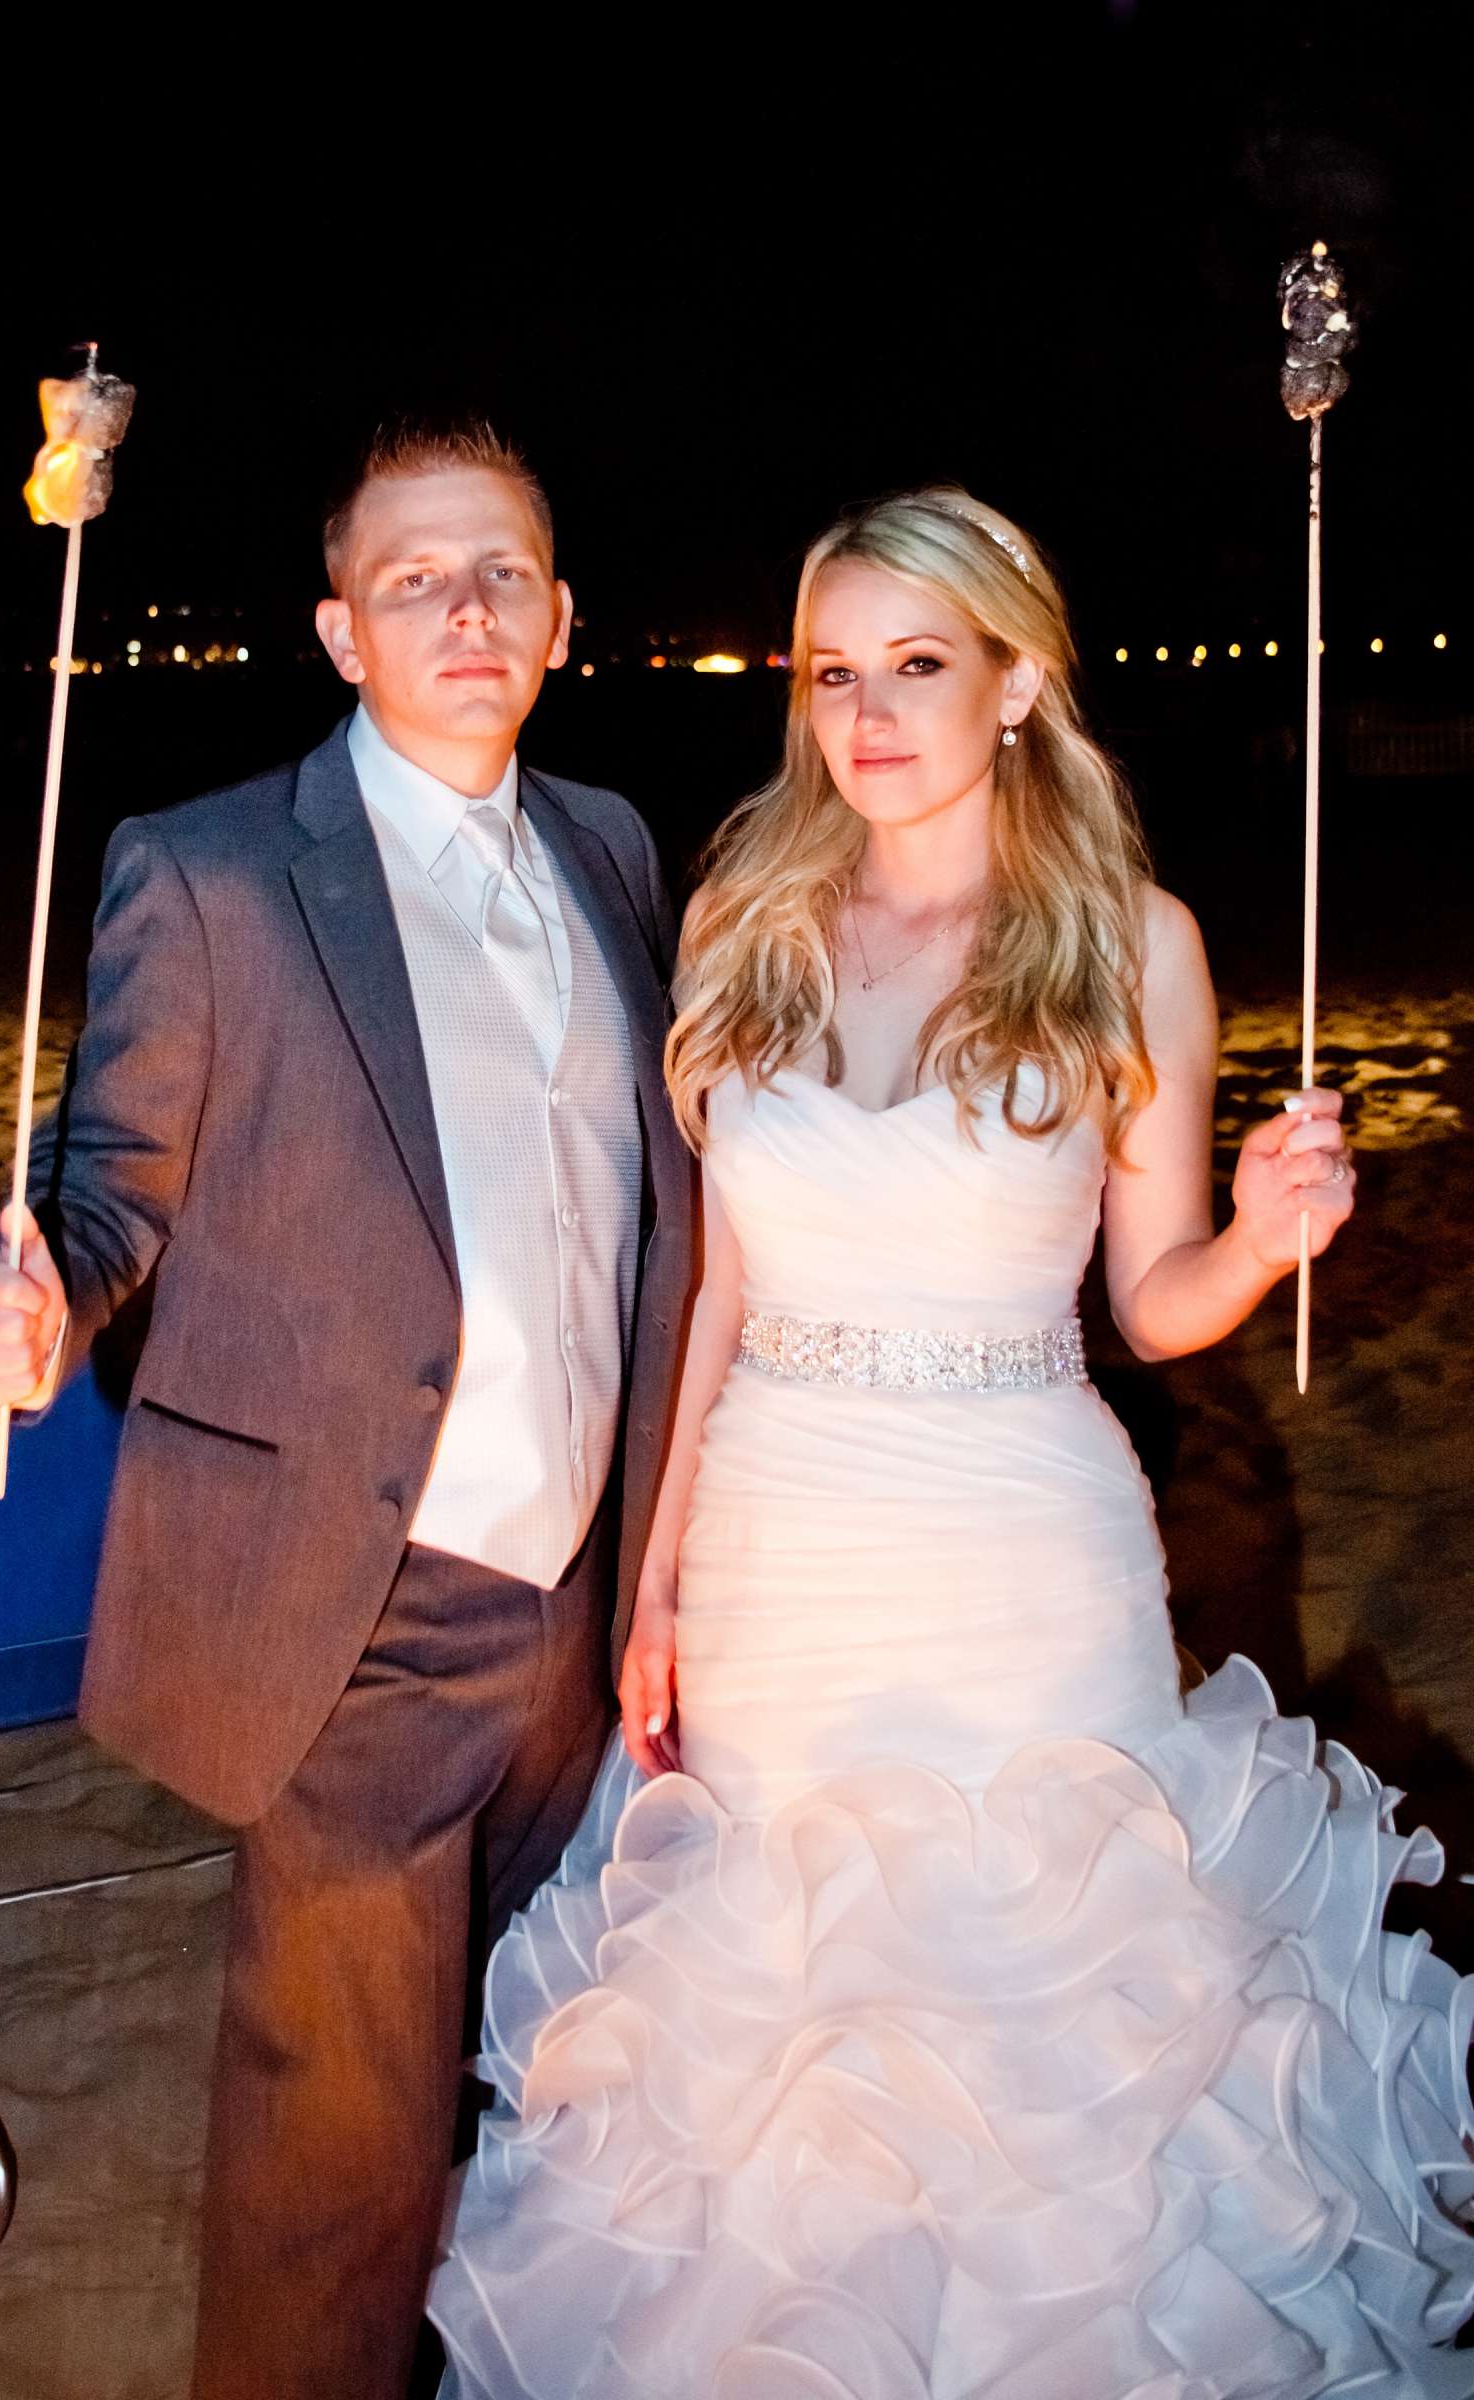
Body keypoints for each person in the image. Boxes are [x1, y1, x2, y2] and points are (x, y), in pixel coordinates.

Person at [427, 487, 1474, 2398]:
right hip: (778, 1557)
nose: (871, 713)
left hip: (1025, 1556)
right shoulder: (751, 919)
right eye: (838, 673)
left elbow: (1153, 1298)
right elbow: (717, 1294)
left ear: (1015, 683)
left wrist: (1258, 1230)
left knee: (1052, 2057)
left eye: (919, 664)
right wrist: (653, 1582)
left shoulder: (1129, 940)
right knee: (788, 2055)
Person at [0, 422, 693, 2400]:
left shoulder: (611, 848)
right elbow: (108, 1186)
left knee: (524, 2067)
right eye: (416, 578)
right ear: (342, 630)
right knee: (328, 2165)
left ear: (559, 620)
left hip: (576, 1614)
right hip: (355, 1602)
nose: (464, 606)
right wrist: (38, 1301)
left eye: (502, 572)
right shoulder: (208, 874)